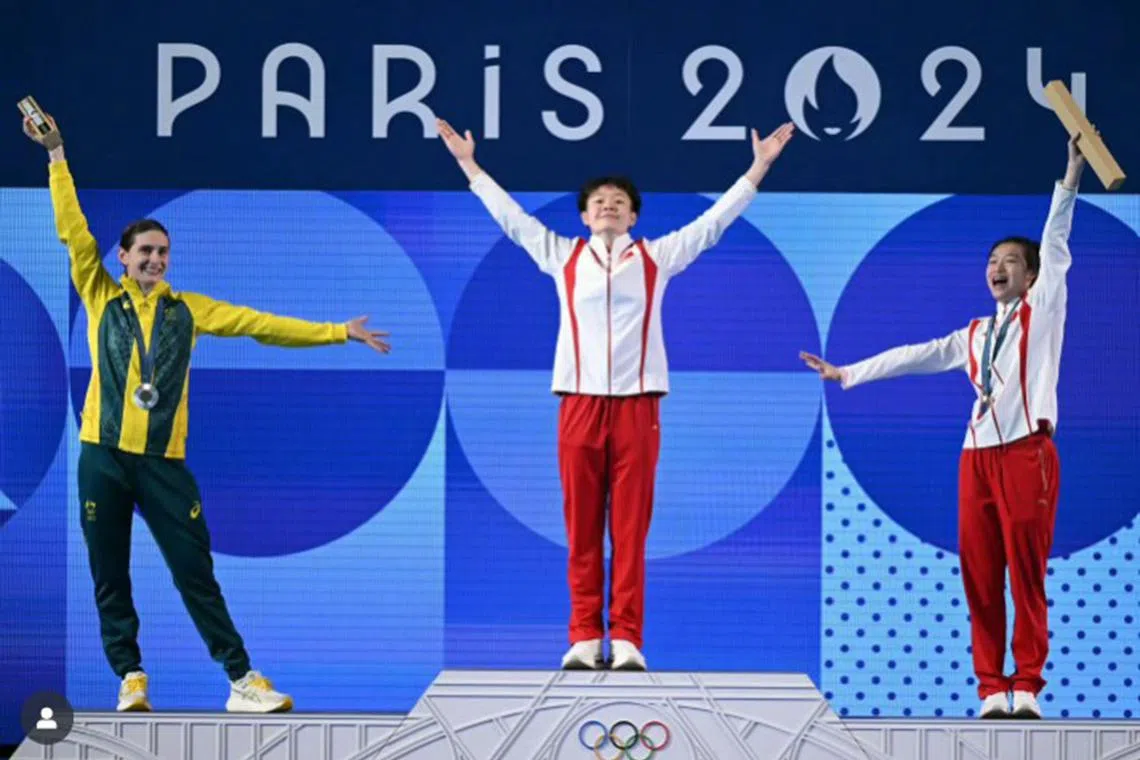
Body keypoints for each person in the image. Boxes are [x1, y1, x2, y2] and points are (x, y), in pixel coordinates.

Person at [24, 111, 391, 713]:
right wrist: (57, 154)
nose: (156, 260)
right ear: (123, 256)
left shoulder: (188, 311)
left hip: (164, 464)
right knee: (109, 574)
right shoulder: (99, 293)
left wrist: (335, 333)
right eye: (146, 250)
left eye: (164, 252)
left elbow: (258, 325)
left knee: (195, 574)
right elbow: (72, 229)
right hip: (103, 456)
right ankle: (130, 676)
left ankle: (241, 679)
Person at [437, 116, 795, 671]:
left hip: (638, 407)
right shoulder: (561, 255)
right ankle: (584, 636)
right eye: (599, 200)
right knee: (582, 528)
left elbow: (715, 222)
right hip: (578, 405)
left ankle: (626, 638)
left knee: (629, 531)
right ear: (583, 215)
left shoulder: (658, 258)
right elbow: (509, 217)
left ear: (633, 215)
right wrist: (468, 164)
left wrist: (759, 166)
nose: (608, 205)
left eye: (619, 201)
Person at [801, 134, 1087, 719]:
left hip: (1027, 454)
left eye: (1010, 262)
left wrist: (1070, 175)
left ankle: (1026, 684)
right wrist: (847, 373)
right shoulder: (976, 332)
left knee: (1024, 574)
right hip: (975, 459)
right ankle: (990, 688)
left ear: (1031, 277)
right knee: (980, 576)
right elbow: (914, 354)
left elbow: (1055, 241)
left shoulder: (1045, 308)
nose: (997, 268)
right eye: (991, 262)